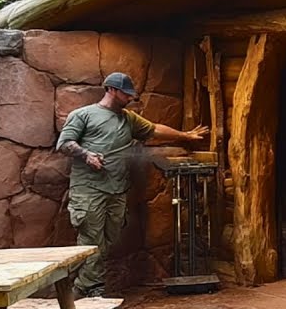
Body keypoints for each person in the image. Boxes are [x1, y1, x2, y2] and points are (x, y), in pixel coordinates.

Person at [56, 71, 208, 296]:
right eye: (126, 94)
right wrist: (87, 154)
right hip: (89, 191)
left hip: (116, 190)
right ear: (111, 90)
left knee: (108, 241)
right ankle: (90, 290)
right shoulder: (84, 115)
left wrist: (185, 136)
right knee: (91, 241)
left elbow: (154, 129)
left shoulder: (128, 118)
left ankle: (80, 288)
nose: (130, 98)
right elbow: (64, 143)